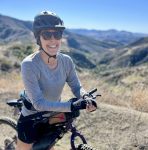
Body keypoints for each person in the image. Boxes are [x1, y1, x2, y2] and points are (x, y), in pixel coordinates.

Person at [16, 11, 97, 150]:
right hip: (31, 117)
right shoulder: (29, 64)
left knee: (49, 146)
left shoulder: (66, 61)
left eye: (57, 34)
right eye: (47, 35)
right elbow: (39, 103)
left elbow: (76, 86)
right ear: (38, 38)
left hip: (54, 113)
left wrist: (85, 97)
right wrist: (71, 106)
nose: (53, 40)